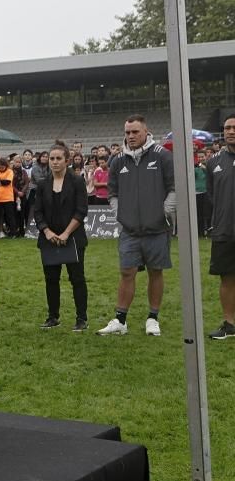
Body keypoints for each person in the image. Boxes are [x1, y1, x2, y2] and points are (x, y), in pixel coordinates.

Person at [98, 115, 175, 336]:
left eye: (135, 132)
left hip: (157, 229)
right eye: (127, 132)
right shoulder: (117, 161)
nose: (130, 136)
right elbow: (112, 193)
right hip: (129, 230)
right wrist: (122, 216)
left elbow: (174, 188)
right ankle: (120, 320)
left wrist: (163, 213)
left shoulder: (163, 156)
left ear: (146, 131)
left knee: (155, 272)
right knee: (126, 272)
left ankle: (153, 318)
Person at [33, 143, 89, 331]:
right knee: (51, 279)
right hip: (49, 239)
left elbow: (81, 211)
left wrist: (66, 233)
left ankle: (81, 319)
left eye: (58, 158)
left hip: (73, 238)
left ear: (67, 160)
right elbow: (38, 212)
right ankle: (53, 316)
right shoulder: (42, 184)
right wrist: (47, 232)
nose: (54, 162)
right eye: (52, 158)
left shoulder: (77, 181)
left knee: (77, 278)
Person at [206, 114, 235, 339]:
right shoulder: (214, 161)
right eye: (227, 128)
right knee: (226, 277)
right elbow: (212, 195)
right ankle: (229, 323)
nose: (230, 131)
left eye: (234, 127)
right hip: (224, 229)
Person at [0, 157, 16, 238]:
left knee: (10, 217)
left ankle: (13, 233)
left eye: (2, 166)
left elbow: (7, 182)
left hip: (8, 198)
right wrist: (1, 181)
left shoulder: (10, 171)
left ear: (6, 165)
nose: (1, 168)